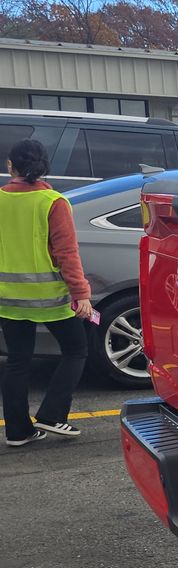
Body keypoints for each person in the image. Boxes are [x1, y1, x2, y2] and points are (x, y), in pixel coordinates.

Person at [1, 139, 93, 446]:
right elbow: (67, 253)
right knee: (75, 351)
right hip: (51, 298)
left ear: (10, 166)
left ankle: (17, 431)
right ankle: (53, 414)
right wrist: (81, 293)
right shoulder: (53, 202)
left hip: (8, 299)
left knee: (17, 361)